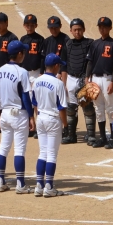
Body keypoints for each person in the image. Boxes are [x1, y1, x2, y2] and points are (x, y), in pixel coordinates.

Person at [0, 40, 35, 193]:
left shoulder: (0, 70)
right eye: (23, 52)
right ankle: (20, 184)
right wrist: (31, 116)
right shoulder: (22, 72)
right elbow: (25, 96)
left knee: (3, 147)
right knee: (19, 150)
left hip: (5, 112)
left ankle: (1, 182)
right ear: (19, 54)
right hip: (19, 113)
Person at [32, 53, 69, 197]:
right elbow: (62, 108)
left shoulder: (37, 81)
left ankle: (39, 186)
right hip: (53, 119)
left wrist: (38, 117)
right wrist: (66, 125)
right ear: (55, 66)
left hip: (40, 117)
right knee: (52, 154)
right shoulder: (58, 83)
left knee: (43, 152)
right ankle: (49, 186)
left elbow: (35, 103)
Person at [86, 16, 113, 149]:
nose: (102, 29)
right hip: (95, 78)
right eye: (100, 27)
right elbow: (90, 62)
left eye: (105, 27)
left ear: (110, 28)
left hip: (107, 78)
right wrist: (87, 78)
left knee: (110, 109)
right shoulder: (95, 44)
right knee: (98, 109)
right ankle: (103, 137)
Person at [62, 18, 95, 144]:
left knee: (87, 108)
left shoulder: (89, 43)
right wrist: (64, 83)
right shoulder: (68, 45)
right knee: (71, 108)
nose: (77, 32)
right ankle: (71, 135)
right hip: (70, 78)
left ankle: (91, 135)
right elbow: (64, 65)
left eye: (79, 29)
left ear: (84, 29)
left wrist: (88, 78)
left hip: (84, 79)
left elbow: (91, 62)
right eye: (75, 30)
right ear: (70, 31)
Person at [40, 16, 69, 86]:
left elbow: (66, 59)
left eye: (55, 27)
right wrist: (41, 72)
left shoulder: (66, 39)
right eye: (51, 28)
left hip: (60, 73)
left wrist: (60, 73)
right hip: (48, 72)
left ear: (60, 26)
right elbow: (43, 57)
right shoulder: (47, 41)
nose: (53, 30)